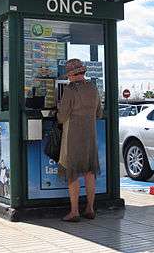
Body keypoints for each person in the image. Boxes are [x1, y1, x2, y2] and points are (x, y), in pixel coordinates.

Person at [57, 58, 102, 222]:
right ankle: (90, 208)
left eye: (69, 75)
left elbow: (62, 117)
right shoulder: (93, 87)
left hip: (73, 134)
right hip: (90, 134)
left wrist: (57, 113)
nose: (68, 78)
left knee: (73, 171)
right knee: (90, 172)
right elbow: (99, 112)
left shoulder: (70, 89)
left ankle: (74, 211)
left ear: (73, 74)